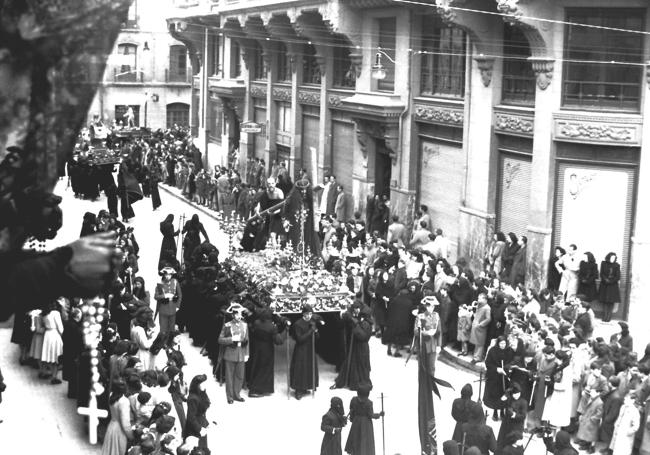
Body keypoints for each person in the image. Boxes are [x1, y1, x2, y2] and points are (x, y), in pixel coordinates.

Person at [332, 303, 373, 390]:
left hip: (361, 347)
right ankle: (345, 381)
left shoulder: (366, 324)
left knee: (361, 364)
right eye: (355, 308)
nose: (357, 310)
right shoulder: (360, 320)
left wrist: (355, 325)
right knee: (350, 362)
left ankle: (356, 383)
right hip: (354, 345)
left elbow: (363, 336)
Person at [248, 308, 285, 397]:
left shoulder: (257, 323)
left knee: (256, 367)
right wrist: (284, 330)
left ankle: (253, 386)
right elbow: (278, 341)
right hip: (267, 349)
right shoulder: (272, 327)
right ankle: (256, 390)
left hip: (257, 348)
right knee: (265, 369)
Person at [217, 303, 249, 404]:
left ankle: (237, 394)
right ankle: (230, 396)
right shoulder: (227, 325)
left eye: (240, 314)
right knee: (230, 376)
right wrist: (231, 339)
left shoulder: (245, 325)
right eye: (237, 314)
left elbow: (247, 340)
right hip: (230, 353)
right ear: (233, 315)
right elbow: (220, 340)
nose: (239, 316)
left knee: (240, 375)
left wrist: (247, 353)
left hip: (241, 353)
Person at [290, 304, 320, 400]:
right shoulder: (298, 324)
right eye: (307, 314)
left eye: (311, 314)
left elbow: (317, 337)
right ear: (303, 314)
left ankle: (306, 386)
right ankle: (298, 390)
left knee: (309, 368)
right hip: (301, 349)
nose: (309, 316)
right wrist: (311, 330)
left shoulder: (312, 322)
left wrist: (315, 331)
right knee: (300, 369)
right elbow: (300, 339)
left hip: (310, 349)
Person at [344, 383, 384, 455]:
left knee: (355, 438)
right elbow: (371, 415)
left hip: (356, 422)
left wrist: (352, 419)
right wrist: (379, 414)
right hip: (366, 424)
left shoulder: (353, 400)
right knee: (365, 440)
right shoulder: (369, 403)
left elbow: (352, 411)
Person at [484, 335, 514, 421]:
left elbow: (511, 362)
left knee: (504, 394)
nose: (503, 345)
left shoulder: (509, 351)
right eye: (501, 343)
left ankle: (502, 411)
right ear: (498, 343)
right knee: (496, 395)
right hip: (495, 378)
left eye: (504, 343)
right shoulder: (492, 351)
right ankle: (495, 412)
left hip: (504, 377)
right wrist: (496, 369)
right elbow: (488, 363)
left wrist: (507, 368)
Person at [102, 380, 134, 455]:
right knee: (118, 451)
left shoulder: (111, 395)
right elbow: (125, 423)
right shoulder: (124, 401)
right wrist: (131, 436)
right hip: (119, 431)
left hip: (111, 426)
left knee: (109, 450)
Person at [415, 296, 442, 377]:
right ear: (426, 306)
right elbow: (416, 332)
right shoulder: (420, 317)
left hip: (433, 345)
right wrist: (424, 332)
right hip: (423, 344)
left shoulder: (436, 316)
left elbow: (439, 332)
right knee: (422, 368)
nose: (432, 308)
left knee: (432, 367)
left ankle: (431, 385)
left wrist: (439, 345)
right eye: (430, 306)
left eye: (433, 306)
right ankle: (424, 387)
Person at [496, 384, 527, 453]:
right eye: (515, 394)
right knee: (502, 443)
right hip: (506, 425)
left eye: (518, 393)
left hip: (516, 428)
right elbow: (499, 404)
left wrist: (515, 415)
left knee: (514, 446)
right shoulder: (509, 399)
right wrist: (504, 397)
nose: (517, 395)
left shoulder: (523, 402)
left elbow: (523, 416)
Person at [184, 374, 211, 449]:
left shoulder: (201, 393)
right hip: (195, 427)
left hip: (201, 422)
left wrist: (206, 422)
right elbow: (191, 417)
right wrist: (199, 429)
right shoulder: (193, 398)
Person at [40, 301, 64, 384]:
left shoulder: (44, 313)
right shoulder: (55, 313)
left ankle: (51, 373)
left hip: (47, 334)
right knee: (57, 356)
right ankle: (54, 376)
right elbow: (60, 326)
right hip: (54, 334)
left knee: (49, 356)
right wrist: (63, 335)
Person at [154, 267, 182, 335]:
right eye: (166, 274)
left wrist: (177, 306)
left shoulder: (175, 282)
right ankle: (163, 343)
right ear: (163, 275)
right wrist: (165, 296)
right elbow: (156, 296)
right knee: (163, 329)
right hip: (163, 308)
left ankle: (170, 343)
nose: (168, 276)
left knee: (171, 329)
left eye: (169, 275)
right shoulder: (160, 284)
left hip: (173, 307)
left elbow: (180, 295)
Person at [599, 252, 621, 322]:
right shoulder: (604, 263)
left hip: (613, 286)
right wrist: (605, 280)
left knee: (611, 302)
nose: (612, 259)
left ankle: (609, 317)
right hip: (605, 285)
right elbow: (601, 273)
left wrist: (611, 281)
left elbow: (618, 276)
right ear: (608, 257)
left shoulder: (617, 265)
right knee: (605, 301)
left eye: (614, 258)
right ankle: (604, 317)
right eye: (611, 258)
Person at [470, 293, 491, 362]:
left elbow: (488, 319)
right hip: (476, 327)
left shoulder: (487, 308)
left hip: (480, 328)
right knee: (477, 342)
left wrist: (480, 325)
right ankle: (475, 356)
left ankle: (477, 358)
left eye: (480, 298)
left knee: (480, 343)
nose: (478, 299)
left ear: (485, 299)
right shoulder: (479, 305)